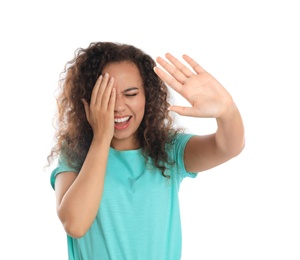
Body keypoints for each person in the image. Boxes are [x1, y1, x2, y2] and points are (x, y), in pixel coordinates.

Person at [47, 41, 245, 260]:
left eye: (130, 94)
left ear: (147, 97)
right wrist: (102, 137)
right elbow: (75, 224)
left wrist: (227, 111)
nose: (118, 106)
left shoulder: (169, 150)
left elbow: (228, 147)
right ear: (88, 100)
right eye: (106, 96)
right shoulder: (76, 152)